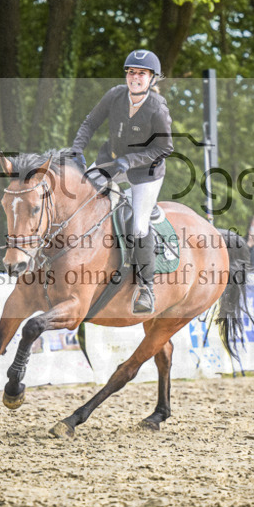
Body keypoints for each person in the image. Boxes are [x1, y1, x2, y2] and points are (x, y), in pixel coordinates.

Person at [70, 49, 173, 314]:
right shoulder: (115, 95)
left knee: (139, 225)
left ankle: (146, 288)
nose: (135, 77)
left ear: (152, 79)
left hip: (145, 173)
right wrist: (77, 149)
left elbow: (164, 148)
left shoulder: (157, 108)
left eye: (141, 73)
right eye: (131, 72)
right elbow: (90, 123)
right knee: (75, 198)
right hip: (111, 161)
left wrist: (131, 160)